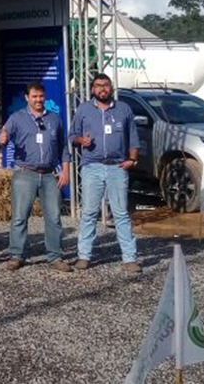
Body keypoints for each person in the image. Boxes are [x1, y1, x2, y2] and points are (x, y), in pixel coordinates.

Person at [71, 73, 141, 273]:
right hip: (92, 166)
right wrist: (80, 141)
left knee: (120, 213)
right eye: (98, 85)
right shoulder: (84, 109)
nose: (102, 89)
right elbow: (72, 135)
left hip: (117, 168)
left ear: (111, 88)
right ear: (92, 89)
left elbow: (133, 137)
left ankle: (129, 258)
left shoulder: (123, 109)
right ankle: (84, 256)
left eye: (106, 85)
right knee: (89, 213)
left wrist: (132, 159)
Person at [0, 82, 71, 272]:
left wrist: (65, 170)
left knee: (54, 217)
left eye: (41, 96)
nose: (38, 100)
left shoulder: (55, 119)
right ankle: (16, 255)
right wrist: (2, 140)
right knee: (19, 217)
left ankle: (55, 256)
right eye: (34, 96)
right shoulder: (16, 118)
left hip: (49, 175)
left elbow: (63, 148)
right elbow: (2, 139)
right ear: (26, 98)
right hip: (25, 173)